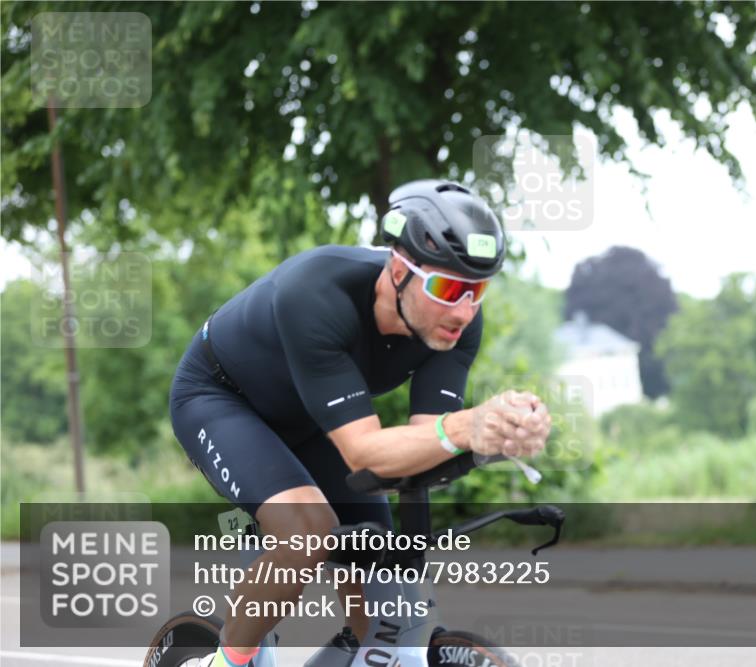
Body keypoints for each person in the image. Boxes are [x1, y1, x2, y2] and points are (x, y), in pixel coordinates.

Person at [168, 179, 552, 667]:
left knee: (379, 570)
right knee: (307, 532)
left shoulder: (456, 325)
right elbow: (365, 452)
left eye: (476, 290)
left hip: (314, 418)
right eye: (448, 287)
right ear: (398, 270)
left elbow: (424, 449)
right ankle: (225, 662)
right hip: (221, 398)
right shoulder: (316, 293)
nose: (463, 309)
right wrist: (465, 427)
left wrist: (496, 438)